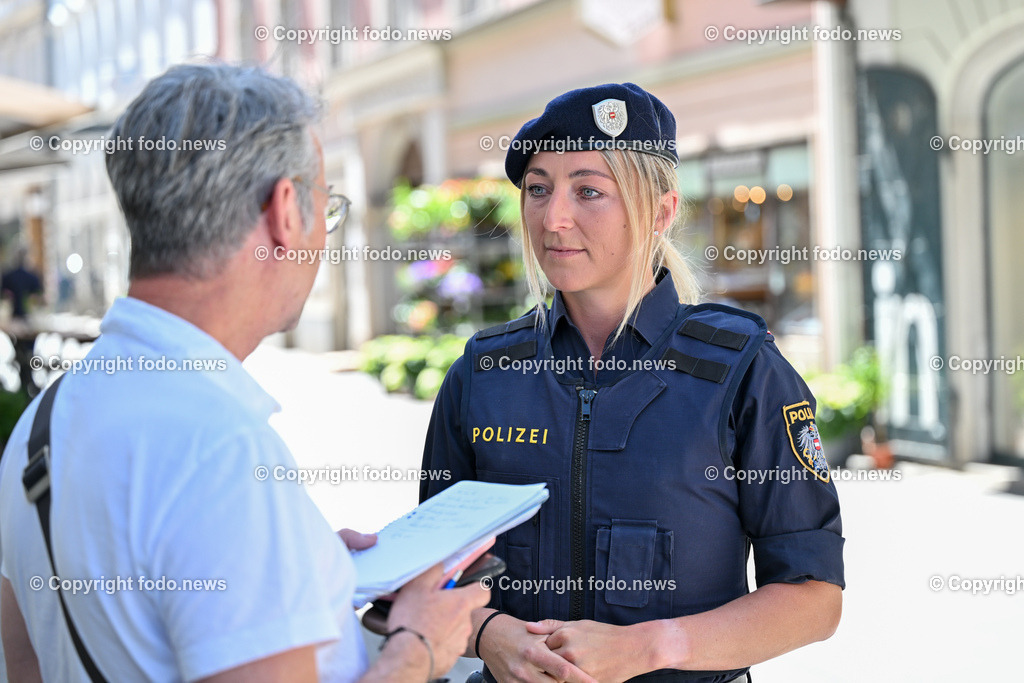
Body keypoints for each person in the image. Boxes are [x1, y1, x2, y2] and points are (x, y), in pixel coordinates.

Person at [0, 63, 488, 682]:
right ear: (286, 210)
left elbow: (25, 665)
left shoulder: (43, 420)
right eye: (325, 207)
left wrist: (290, 570)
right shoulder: (219, 453)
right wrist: (417, 646)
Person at [421, 83, 844, 683]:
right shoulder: (483, 373)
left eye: (588, 190)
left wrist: (652, 647)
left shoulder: (742, 371)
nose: (554, 217)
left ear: (663, 212)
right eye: (538, 189)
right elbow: (430, 579)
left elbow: (814, 597)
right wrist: (490, 636)